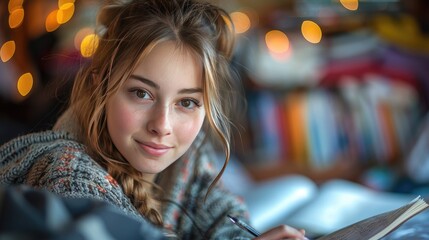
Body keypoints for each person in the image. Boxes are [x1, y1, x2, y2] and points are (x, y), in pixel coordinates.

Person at [0, 0, 308, 239]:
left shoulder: (188, 158)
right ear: (99, 84)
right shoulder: (67, 176)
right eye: (141, 93)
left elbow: (222, 216)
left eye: (186, 102)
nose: (162, 125)